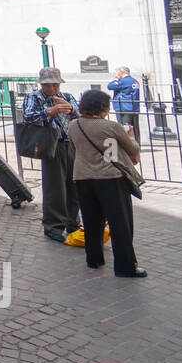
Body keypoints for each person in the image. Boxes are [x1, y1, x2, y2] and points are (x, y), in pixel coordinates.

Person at [71, 90, 146, 278]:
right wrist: (130, 134)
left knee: (91, 220)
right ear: (103, 107)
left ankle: (94, 259)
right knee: (120, 223)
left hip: (83, 178)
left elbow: (75, 149)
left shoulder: (74, 125)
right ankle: (125, 266)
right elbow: (133, 149)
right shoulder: (111, 126)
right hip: (110, 179)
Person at [23, 67, 82, 243]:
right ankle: (54, 226)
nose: (53, 89)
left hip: (70, 144)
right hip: (51, 145)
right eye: (49, 85)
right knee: (55, 188)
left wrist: (70, 108)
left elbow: (79, 116)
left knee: (74, 186)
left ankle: (73, 223)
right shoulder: (34, 97)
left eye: (56, 85)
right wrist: (49, 111)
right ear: (42, 85)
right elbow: (28, 117)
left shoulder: (68, 96)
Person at [107, 67, 141, 143]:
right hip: (133, 107)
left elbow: (110, 86)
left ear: (121, 73)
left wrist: (116, 79)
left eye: (117, 73)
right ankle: (137, 145)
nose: (116, 74)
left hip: (123, 108)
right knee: (135, 128)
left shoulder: (123, 81)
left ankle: (128, 146)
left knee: (125, 129)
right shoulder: (134, 81)